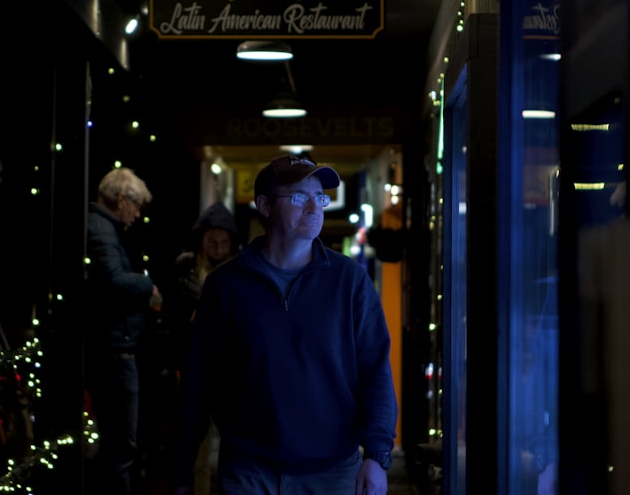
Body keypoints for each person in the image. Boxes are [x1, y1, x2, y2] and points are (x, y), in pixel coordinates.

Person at [171, 154, 398, 495]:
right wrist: (181, 473)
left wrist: (377, 456)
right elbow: (198, 383)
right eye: (298, 197)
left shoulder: (349, 281)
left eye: (320, 197)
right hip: (249, 471)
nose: (315, 207)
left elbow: (376, 371)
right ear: (263, 205)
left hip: (334, 472)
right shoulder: (226, 285)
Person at [83, 167, 162, 495]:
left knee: (118, 446)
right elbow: (112, 280)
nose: (138, 214)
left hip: (115, 346)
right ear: (120, 199)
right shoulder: (101, 229)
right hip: (115, 350)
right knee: (121, 446)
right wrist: (149, 287)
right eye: (136, 205)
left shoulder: (104, 228)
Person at [162, 202, 241, 495]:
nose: (218, 248)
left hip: (231, 370)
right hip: (193, 365)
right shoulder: (186, 267)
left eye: (224, 242)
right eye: (212, 241)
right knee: (195, 446)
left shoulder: (240, 269)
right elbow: (169, 315)